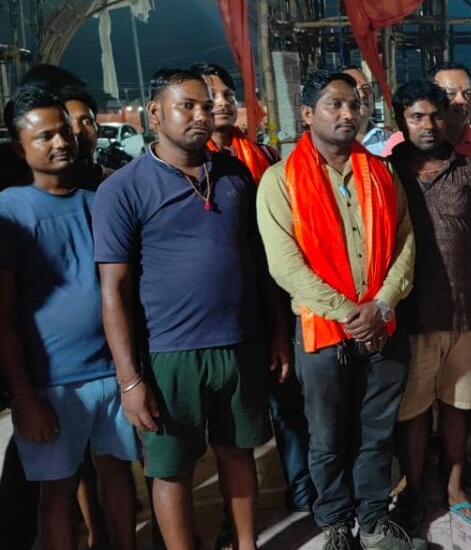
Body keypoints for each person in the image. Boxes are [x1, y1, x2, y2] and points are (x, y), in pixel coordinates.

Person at [94, 69, 288, 550]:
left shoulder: (234, 175)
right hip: (169, 354)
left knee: (238, 453)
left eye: (206, 105)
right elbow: (113, 291)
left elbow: (259, 263)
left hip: (240, 344)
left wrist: (278, 332)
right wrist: (130, 380)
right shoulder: (124, 189)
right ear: (155, 113)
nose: (202, 115)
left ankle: (246, 544)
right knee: (172, 468)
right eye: (187, 105)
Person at [257, 71, 424, 550]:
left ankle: (373, 523)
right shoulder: (280, 180)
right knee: (327, 437)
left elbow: (406, 240)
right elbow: (286, 265)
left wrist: (382, 304)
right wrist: (354, 314)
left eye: (354, 104)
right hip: (323, 331)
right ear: (308, 114)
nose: (348, 113)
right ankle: (335, 526)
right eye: (335, 104)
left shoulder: (381, 172)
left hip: (384, 324)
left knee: (377, 433)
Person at [0, 86, 138, 550]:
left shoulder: (99, 201)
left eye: (64, 131)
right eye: (44, 136)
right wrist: (23, 394)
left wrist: (130, 375)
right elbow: (4, 316)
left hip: (113, 372)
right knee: (56, 493)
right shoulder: (9, 211)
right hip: (51, 383)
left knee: (118, 476)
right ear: (19, 148)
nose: (61, 142)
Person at [194, 62, 315, 518]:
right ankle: (236, 519)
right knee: (231, 424)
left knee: (289, 403)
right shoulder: (195, 164)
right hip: (223, 308)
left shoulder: (261, 156)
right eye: (212, 96)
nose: (223, 103)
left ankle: (302, 493)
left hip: (270, 296)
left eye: (228, 94)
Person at [390, 81, 471, 528]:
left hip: (464, 314)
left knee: (460, 405)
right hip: (409, 317)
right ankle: (415, 491)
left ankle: (454, 486)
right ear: (400, 120)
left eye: (435, 115)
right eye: (416, 117)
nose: (428, 125)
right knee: (413, 411)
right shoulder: (385, 174)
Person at [60, 85, 112, 190]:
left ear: (99, 130)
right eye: (69, 123)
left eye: (86, 122)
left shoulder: (119, 181)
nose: (78, 130)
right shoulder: (41, 189)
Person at [343, 66, 393, 156]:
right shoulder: (328, 144)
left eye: (366, 88)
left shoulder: (392, 142)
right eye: (355, 90)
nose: (362, 95)